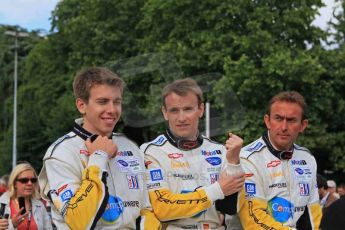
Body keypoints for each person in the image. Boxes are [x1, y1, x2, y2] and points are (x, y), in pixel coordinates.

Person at [38, 67, 160, 229]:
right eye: (103, 102)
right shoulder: (62, 153)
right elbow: (78, 221)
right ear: (82, 105)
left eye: (117, 102)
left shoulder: (129, 146)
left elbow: (146, 208)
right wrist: (99, 157)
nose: (112, 110)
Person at [141, 78, 245, 229]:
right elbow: (163, 209)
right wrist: (217, 190)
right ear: (165, 113)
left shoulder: (218, 150)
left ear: (201, 110)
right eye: (174, 110)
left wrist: (233, 163)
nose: (182, 118)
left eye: (188, 109)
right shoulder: (151, 151)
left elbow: (229, 208)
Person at [238, 91, 322, 229]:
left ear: (303, 125)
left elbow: (313, 214)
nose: (284, 127)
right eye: (278, 118)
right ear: (267, 121)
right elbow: (253, 218)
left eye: (291, 120)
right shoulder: (247, 159)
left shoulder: (307, 159)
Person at [0, 163, 52, 230]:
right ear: (14, 183)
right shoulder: (2, 203)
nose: (30, 183)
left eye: (33, 180)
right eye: (24, 180)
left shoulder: (39, 205)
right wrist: (12, 224)